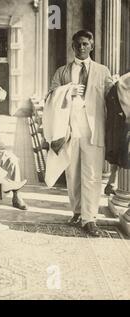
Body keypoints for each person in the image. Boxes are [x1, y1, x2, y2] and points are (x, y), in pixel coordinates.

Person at [46, 30, 114, 236]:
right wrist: (66, 90)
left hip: (94, 130)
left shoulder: (103, 71)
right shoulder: (62, 71)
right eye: (78, 45)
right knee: (73, 173)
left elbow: (112, 95)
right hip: (70, 129)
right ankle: (77, 212)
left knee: (92, 175)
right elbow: (49, 97)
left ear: (91, 46)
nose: (82, 48)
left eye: (85, 44)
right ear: (72, 47)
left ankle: (90, 218)